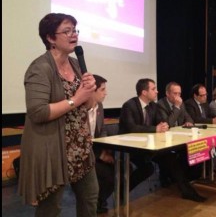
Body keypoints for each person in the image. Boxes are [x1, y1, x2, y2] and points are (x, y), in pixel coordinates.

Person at [18, 13, 99, 217]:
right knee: (51, 208)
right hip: (53, 149)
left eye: (74, 30)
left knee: (90, 197)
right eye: (67, 31)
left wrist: (90, 92)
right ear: (50, 38)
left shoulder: (76, 64)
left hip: (80, 147)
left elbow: (88, 104)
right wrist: (77, 98)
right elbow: (38, 112)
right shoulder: (40, 68)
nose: (73, 35)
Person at [156, 82, 207, 202]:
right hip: (164, 142)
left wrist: (189, 122)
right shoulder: (161, 105)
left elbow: (188, 117)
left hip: (179, 138)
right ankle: (185, 188)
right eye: (175, 93)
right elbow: (166, 124)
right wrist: (177, 108)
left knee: (194, 150)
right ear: (167, 94)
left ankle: (184, 179)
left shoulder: (181, 103)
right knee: (173, 158)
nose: (178, 96)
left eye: (179, 93)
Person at [118, 78, 169, 194]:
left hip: (146, 145)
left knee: (168, 156)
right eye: (153, 89)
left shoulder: (153, 106)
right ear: (144, 92)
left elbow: (161, 121)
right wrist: (155, 129)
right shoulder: (129, 105)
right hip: (129, 147)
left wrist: (164, 124)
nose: (157, 91)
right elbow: (132, 128)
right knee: (147, 168)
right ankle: (122, 192)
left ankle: (172, 183)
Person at [85, 75, 114, 214]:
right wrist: (100, 155)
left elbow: (102, 130)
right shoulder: (80, 108)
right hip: (83, 156)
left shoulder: (99, 106)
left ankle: (99, 200)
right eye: (102, 89)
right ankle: (96, 202)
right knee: (108, 175)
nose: (105, 93)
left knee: (121, 169)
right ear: (92, 91)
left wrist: (104, 149)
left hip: (96, 151)